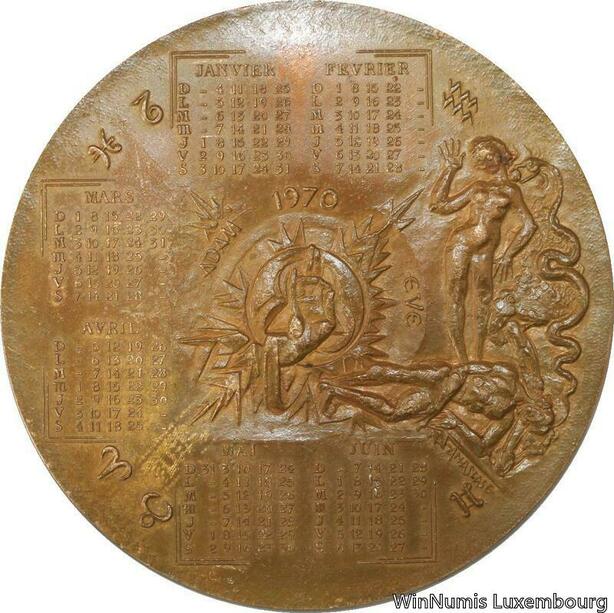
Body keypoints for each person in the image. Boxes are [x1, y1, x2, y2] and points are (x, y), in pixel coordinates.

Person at [430, 137, 536, 361]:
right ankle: (461, 360)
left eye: (490, 156)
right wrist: (450, 169)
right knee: (456, 296)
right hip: (460, 244)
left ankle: (477, 357)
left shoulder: (511, 191)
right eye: (482, 159)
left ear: (501, 155)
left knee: (484, 299)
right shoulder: (477, 187)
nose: (487, 162)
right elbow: (439, 205)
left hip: (485, 252)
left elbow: (529, 225)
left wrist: (508, 254)